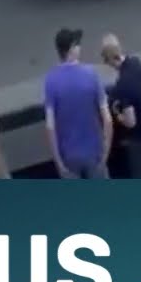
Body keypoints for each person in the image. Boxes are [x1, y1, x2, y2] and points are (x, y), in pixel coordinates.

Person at [44, 27, 113, 179]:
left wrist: (59, 163)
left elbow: (50, 126)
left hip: (68, 157)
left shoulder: (50, 81)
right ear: (72, 49)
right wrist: (105, 154)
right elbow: (107, 119)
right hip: (94, 153)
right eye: (78, 44)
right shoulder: (91, 74)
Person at [100, 34, 141, 178]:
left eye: (106, 59)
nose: (106, 64)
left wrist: (117, 113)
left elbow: (130, 122)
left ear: (112, 58)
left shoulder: (124, 84)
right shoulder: (135, 63)